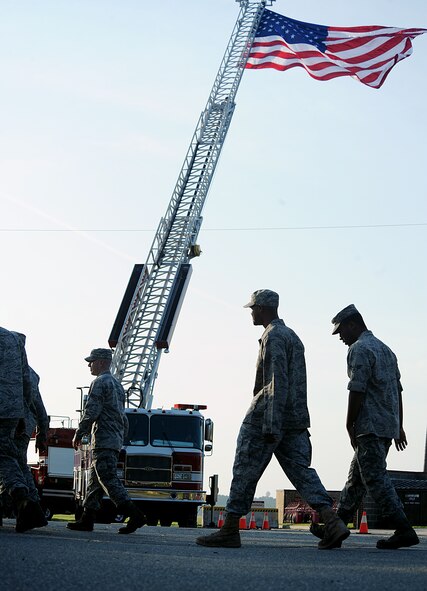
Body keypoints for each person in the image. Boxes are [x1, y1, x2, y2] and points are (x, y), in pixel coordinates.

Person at [196, 290, 349, 549]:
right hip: (295, 419)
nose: (252, 313)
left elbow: (276, 381)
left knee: (244, 468)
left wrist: (270, 423)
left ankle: (230, 528)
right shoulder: (293, 336)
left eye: (253, 309)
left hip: (268, 416)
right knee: (302, 472)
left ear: (264, 308)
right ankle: (331, 521)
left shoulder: (274, 335)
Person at [312, 304, 419, 549]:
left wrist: (349, 423)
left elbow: (357, 389)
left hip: (369, 426)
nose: (340, 337)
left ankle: (404, 529)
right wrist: (399, 425)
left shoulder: (359, 349)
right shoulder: (386, 350)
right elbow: (397, 391)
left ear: (353, 324)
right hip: (386, 426)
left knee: (374, 478)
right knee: (357, 480)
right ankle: (336, 526)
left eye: (341, 331)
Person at [67, 348, 146, 534]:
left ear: (102, 362)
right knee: (95, 482)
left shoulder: (100, 382)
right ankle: (87, 519)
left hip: (104, 439)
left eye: (92, 361)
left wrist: (79, 433)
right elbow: (122, 416)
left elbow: (91, 411)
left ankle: (135, 515)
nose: (89, 365)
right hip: (113, 438)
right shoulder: (117, 385)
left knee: (107, 478)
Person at [0, 326, 47, 532]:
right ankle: (32, 507)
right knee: (10, 457)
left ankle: (21, 498)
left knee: (4, 458)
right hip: (13, 411)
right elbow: (27, 383)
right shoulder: (14, 340)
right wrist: (22, 412)